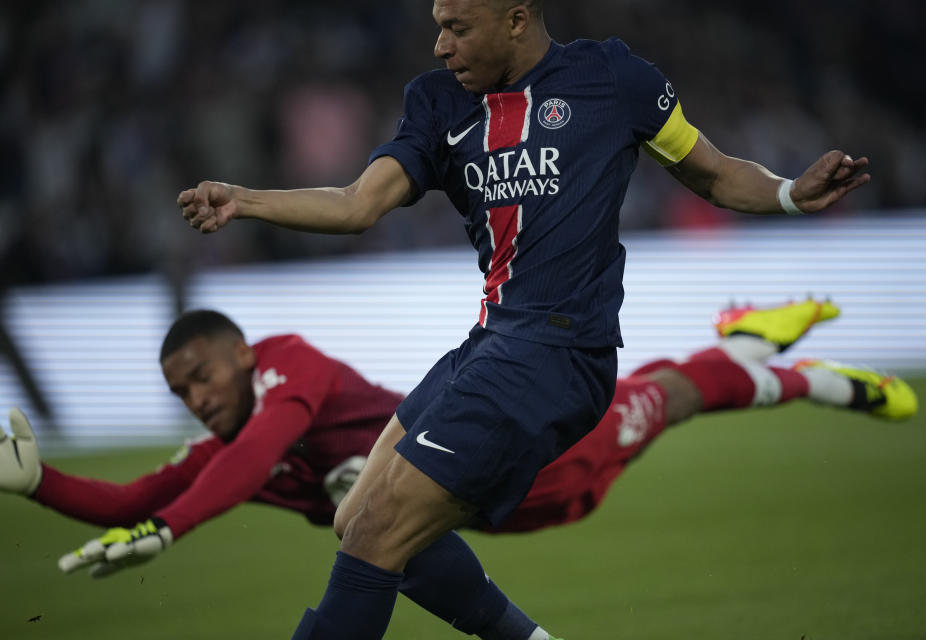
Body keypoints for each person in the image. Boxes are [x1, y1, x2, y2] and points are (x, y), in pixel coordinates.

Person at [175, 1, 872, 637]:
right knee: (353, 518)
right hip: (491, 344)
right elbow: (358, 203)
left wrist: (788, 193)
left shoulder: (612, 78)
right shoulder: (437, 101)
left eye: (458, 27)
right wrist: (245, 198)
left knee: (379, 530)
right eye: (437, 26)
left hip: (561, 353)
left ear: (516, 17)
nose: (442, 45)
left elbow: (714, 173)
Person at [0, 300, 915, 631]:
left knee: (662, 399)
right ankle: (751, 338)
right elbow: (134, 492)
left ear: (239, 353)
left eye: (201, 376)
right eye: (182, 393)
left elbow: (245, 464)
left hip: (533, 456)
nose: (196, 400)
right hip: (491, 512)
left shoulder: (289, 370)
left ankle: (796, 373)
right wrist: (41, 485)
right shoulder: (229, 447)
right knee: (653, 398)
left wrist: (169, 527)